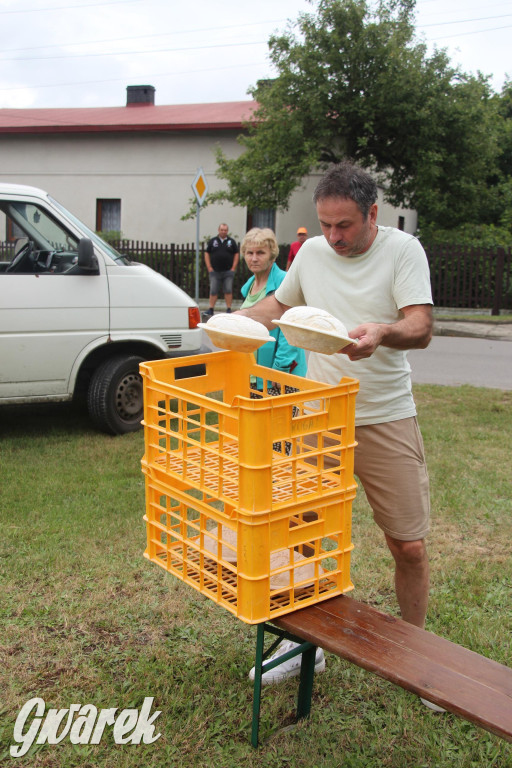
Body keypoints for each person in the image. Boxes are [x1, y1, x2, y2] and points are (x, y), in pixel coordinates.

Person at [240, 161, 438, 708]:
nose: (332, 237)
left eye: (344, 225)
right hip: (319, 414)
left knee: (409, 545)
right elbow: (276, 307)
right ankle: (305, 646)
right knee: (301, 534)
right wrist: (232, 324)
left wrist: (382, 332)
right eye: (324, 225)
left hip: (384, 413)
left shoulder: (403, 250)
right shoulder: (314, 254)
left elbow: (420, 325)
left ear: (372, 214)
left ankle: (418, 656)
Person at [240, 227, 307, 380]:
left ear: (272, 256)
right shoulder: (248, 287)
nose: (254, 258)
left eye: (261, 253)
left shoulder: (284, 281)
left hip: (279, 375)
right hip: (253, 374)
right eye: (250, 253)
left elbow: (291, 329)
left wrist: (281, 367)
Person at [204, 223, 239, 315]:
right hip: (215, 271)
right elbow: (207, 253)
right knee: (213, 290)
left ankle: (228, 309)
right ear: (218, 230)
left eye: (225, 230)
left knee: (228, 290)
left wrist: (233, 268)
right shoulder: (213, 241)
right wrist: (209, 267)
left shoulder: (231, 242)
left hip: (228, 271)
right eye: (222, 230)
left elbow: (236, 253)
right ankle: (211, 309)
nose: (223, 232)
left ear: (227, 231)